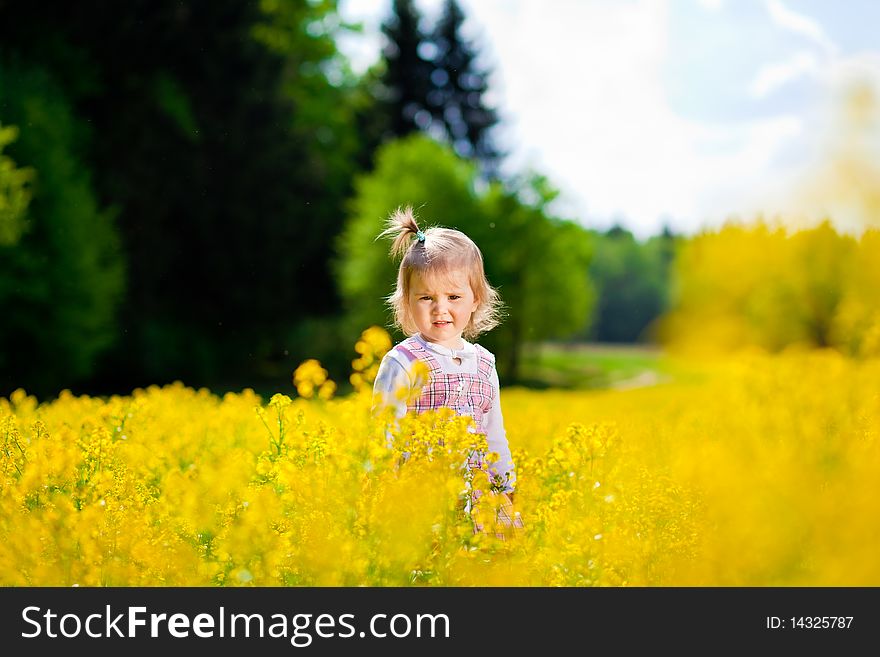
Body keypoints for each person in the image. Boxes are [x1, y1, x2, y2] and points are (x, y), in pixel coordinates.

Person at [371, 206, 521, 539]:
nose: (441, 308)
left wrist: (506, 484)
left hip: (480, 503)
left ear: (475, 299)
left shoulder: (485, 363)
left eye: (454, 296)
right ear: (407, 301)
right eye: (426, 297)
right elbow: (385, 439)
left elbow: (495, 434)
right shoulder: (403, 363)